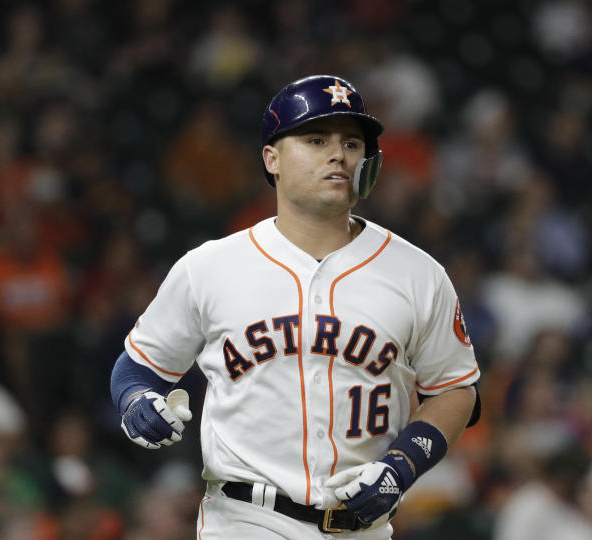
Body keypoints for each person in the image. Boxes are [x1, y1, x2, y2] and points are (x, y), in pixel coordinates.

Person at [110, 74, 481, 539]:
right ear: (272, 158)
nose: (338, 154)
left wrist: (401, 467)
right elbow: (138, 366)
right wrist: (136, 402)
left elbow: (454, 389)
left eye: (351, 142)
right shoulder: (209, 267)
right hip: (245, 519)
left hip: (364, 527)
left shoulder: (419, 274)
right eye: (315, 139)